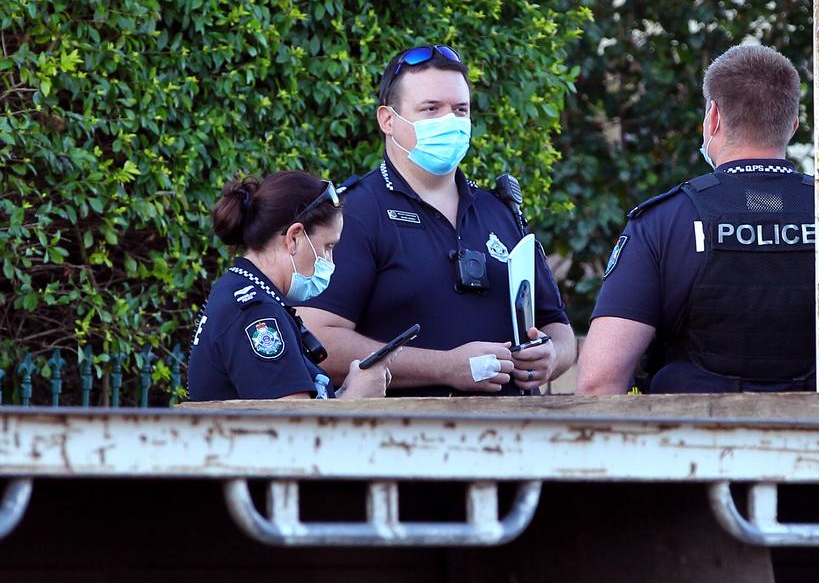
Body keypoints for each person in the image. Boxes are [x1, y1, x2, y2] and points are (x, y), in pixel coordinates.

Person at [298, 44, 576, 395]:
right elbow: (317, 340)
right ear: (387, 120)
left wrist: (552, 355)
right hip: (410, 439)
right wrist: (445, 368)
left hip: (514, 437)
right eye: (431, 109)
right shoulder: (355, 214)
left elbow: (559, 327)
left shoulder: (500, 210)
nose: (450, 122)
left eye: (461, 110)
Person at [576, 44, 815, 394]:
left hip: (691, 442)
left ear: (713, 117)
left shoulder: (663, 222)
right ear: (792, 126)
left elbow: (599, 382)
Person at [188, 171, 391, 401]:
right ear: (294, 237)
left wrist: (341, 394)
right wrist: (355, 399)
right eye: (328, 246)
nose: (331, 261)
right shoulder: (257, 314)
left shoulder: (245, 293)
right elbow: (292, 429)